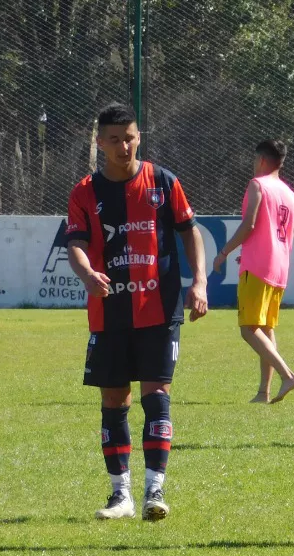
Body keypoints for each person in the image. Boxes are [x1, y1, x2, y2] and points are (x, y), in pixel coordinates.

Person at [66, 103, 209, 522]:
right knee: (114, 398)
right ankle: (120, 495)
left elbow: (189, 232)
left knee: (157, 396)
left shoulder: (163, 182)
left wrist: (198, 281)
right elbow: (74, 244)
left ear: (138, 137)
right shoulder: (84, 192)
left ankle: (154, 491)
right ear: (100, 144)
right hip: (109, 314)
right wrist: (88, 273)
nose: (123, 146)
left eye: (129, 137)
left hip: (159, 311)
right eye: (114, 140)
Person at [212, 139, 294, 405]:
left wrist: (224, 252)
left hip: (260, 266)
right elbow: (278, 233)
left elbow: (248, 225)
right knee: (264, 327)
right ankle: (263, 392)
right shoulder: (289, 193)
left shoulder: (258, 185)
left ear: (261, 160)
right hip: (279, 267)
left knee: (248, 329)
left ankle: (288, 375)